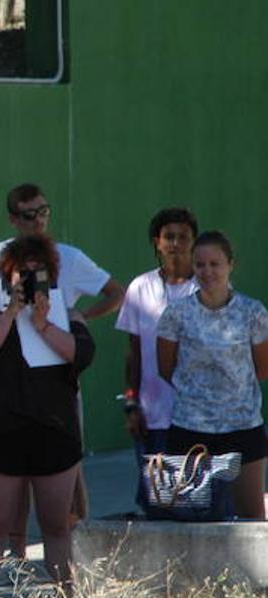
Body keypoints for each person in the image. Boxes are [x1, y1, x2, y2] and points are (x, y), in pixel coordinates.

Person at [0, 183, 123, 547]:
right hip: (10, 379)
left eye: (44, 211)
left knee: (67, 485)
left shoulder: (69, 258)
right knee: (10, 493)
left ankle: (74, 562)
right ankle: (16, 562)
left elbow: (116, 292)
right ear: (13, 218)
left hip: (58, 378)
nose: (38, 220)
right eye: (29, 214)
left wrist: (80, 318)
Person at [0, 235, 95, 598]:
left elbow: (81, 355)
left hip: (55, 431)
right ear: (7, 280)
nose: (30, 283)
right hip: (2, 433)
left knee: (56, 525)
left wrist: (42, 323)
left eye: (38, 276)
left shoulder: (69, 318)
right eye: (22, 277)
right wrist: (10, 313)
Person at [156, 231, 268, 520]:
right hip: (187, 427)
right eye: (200, 265)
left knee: (251, 522)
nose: (207, 272)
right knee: (182, 520)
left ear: (231, 264)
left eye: (215, 264)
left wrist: (229, 396)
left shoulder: (253, 312)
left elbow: (262, 368)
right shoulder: (176, 313)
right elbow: (165, 368)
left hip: (243, 427)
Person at [115, 207, 198, 502]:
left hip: (198, 415)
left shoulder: (208, 286)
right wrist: (131, 404)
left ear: (193, 242)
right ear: (157, 242)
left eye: (183, 237)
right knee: (158, 501)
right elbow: (133, 352)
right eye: (169, 237)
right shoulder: (141, 287)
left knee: (195, 499)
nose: (176, 243)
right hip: (153, 414)